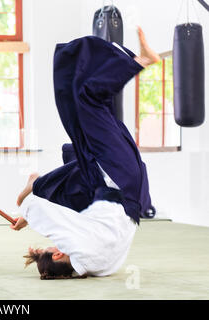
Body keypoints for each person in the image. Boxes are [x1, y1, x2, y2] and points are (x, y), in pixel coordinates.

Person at [11, 27, 160, 279]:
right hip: (120, 179)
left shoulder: (101, 268)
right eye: (56, 248)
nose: (57, 243)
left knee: (76, 143)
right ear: (58, 255)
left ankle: (42, 184)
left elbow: (68, 244)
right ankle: (141, 61)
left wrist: (43, 255)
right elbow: (36, 211)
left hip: (110, 188)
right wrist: (27, 217)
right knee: (89, 100)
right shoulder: (78, 246)